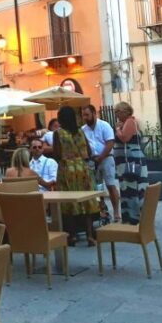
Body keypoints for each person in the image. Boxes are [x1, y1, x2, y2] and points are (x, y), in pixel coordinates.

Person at [54, 106, 97, 245]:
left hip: (67, 170)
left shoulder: (58, 133)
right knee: (87, 201)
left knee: (68, 201)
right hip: (83, 169)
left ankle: (72, 235)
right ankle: (90, 235)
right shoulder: (80, 131)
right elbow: (89, 152)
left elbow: (57, 154)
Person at [82, 105, 120, 222]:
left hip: (106, 158)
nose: (85, 118)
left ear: (94, 113)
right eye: (83, 115)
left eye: (87, 115)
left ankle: (116, 212)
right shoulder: (83, 129)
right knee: (97, 188)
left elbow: (110, 143)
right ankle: (103, 211)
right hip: (92, 161)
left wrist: (101, 157)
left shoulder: (104, 125)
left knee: (110, 185)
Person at [113, 101, 149, 225]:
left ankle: (134, 217)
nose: (116, 115)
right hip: (125, 162)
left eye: (118, 112)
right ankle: (130, 216)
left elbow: (124, 138)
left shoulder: (130, 121)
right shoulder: (127, 122)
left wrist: (117, 128)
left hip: (131, 162)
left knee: (131, 189)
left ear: (125, 111)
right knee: (127, 188)